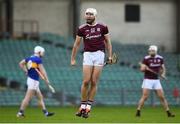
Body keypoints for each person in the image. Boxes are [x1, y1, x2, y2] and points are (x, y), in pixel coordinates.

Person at [71, 8, 112, 118]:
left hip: (99, 54)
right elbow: (76, 45)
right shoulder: (81, 29)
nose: (88, 16)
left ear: (95, 16)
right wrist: (73, 59)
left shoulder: (103, 27)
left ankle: (88, 108)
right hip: (88, 55)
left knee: (94, 82)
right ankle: (82, 106)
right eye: (87, 14)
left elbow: (108, 42)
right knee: (85, 81)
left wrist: (110, 56)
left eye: (91, 14)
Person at [136, 45, 175, 117]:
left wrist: (163, 74)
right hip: (148, 80)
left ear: (156, 51)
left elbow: (163, 68)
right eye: (150, 51)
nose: (151, 52)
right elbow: (141, 69)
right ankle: (138, 111)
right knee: (145, 97)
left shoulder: (160, 58)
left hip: (156, 80)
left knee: (162, 97)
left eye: (153, 51)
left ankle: (168, 112)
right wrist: (144, 68)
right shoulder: (146, 58)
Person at [17, 46, 55, 117]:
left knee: (40, 97)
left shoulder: (29, 58)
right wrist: (47, 80)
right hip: (33, 81)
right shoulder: (38, 60)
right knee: (27, 98)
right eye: (43, 52)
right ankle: (20, 113)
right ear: (39, 52)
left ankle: (45, 113)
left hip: (32, 80)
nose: (43, 54)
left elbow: (21, 63)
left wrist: (26, 71)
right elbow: (43, 71)